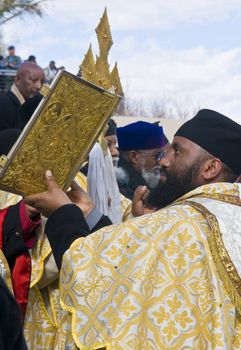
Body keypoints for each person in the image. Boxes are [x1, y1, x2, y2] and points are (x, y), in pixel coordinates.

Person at [24, 109, 241, 349]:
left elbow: (96, 276)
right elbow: (128, 260)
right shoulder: (230, 215)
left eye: (177, 151)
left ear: (210, 168)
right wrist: (89, 212)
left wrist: (61, 213)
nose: (165, 160)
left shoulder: (185, 223)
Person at [115, 121, 168, 199]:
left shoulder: (141, 182)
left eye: (163, 155)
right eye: (157, 155)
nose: (162, 162)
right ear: (134, 157)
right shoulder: (121, 189)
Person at [0, 62, 44, 131]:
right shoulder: (2, 104)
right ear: (18, 80)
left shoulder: (37, 107)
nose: (39, 86)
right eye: (33, 80)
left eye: (42, 82)